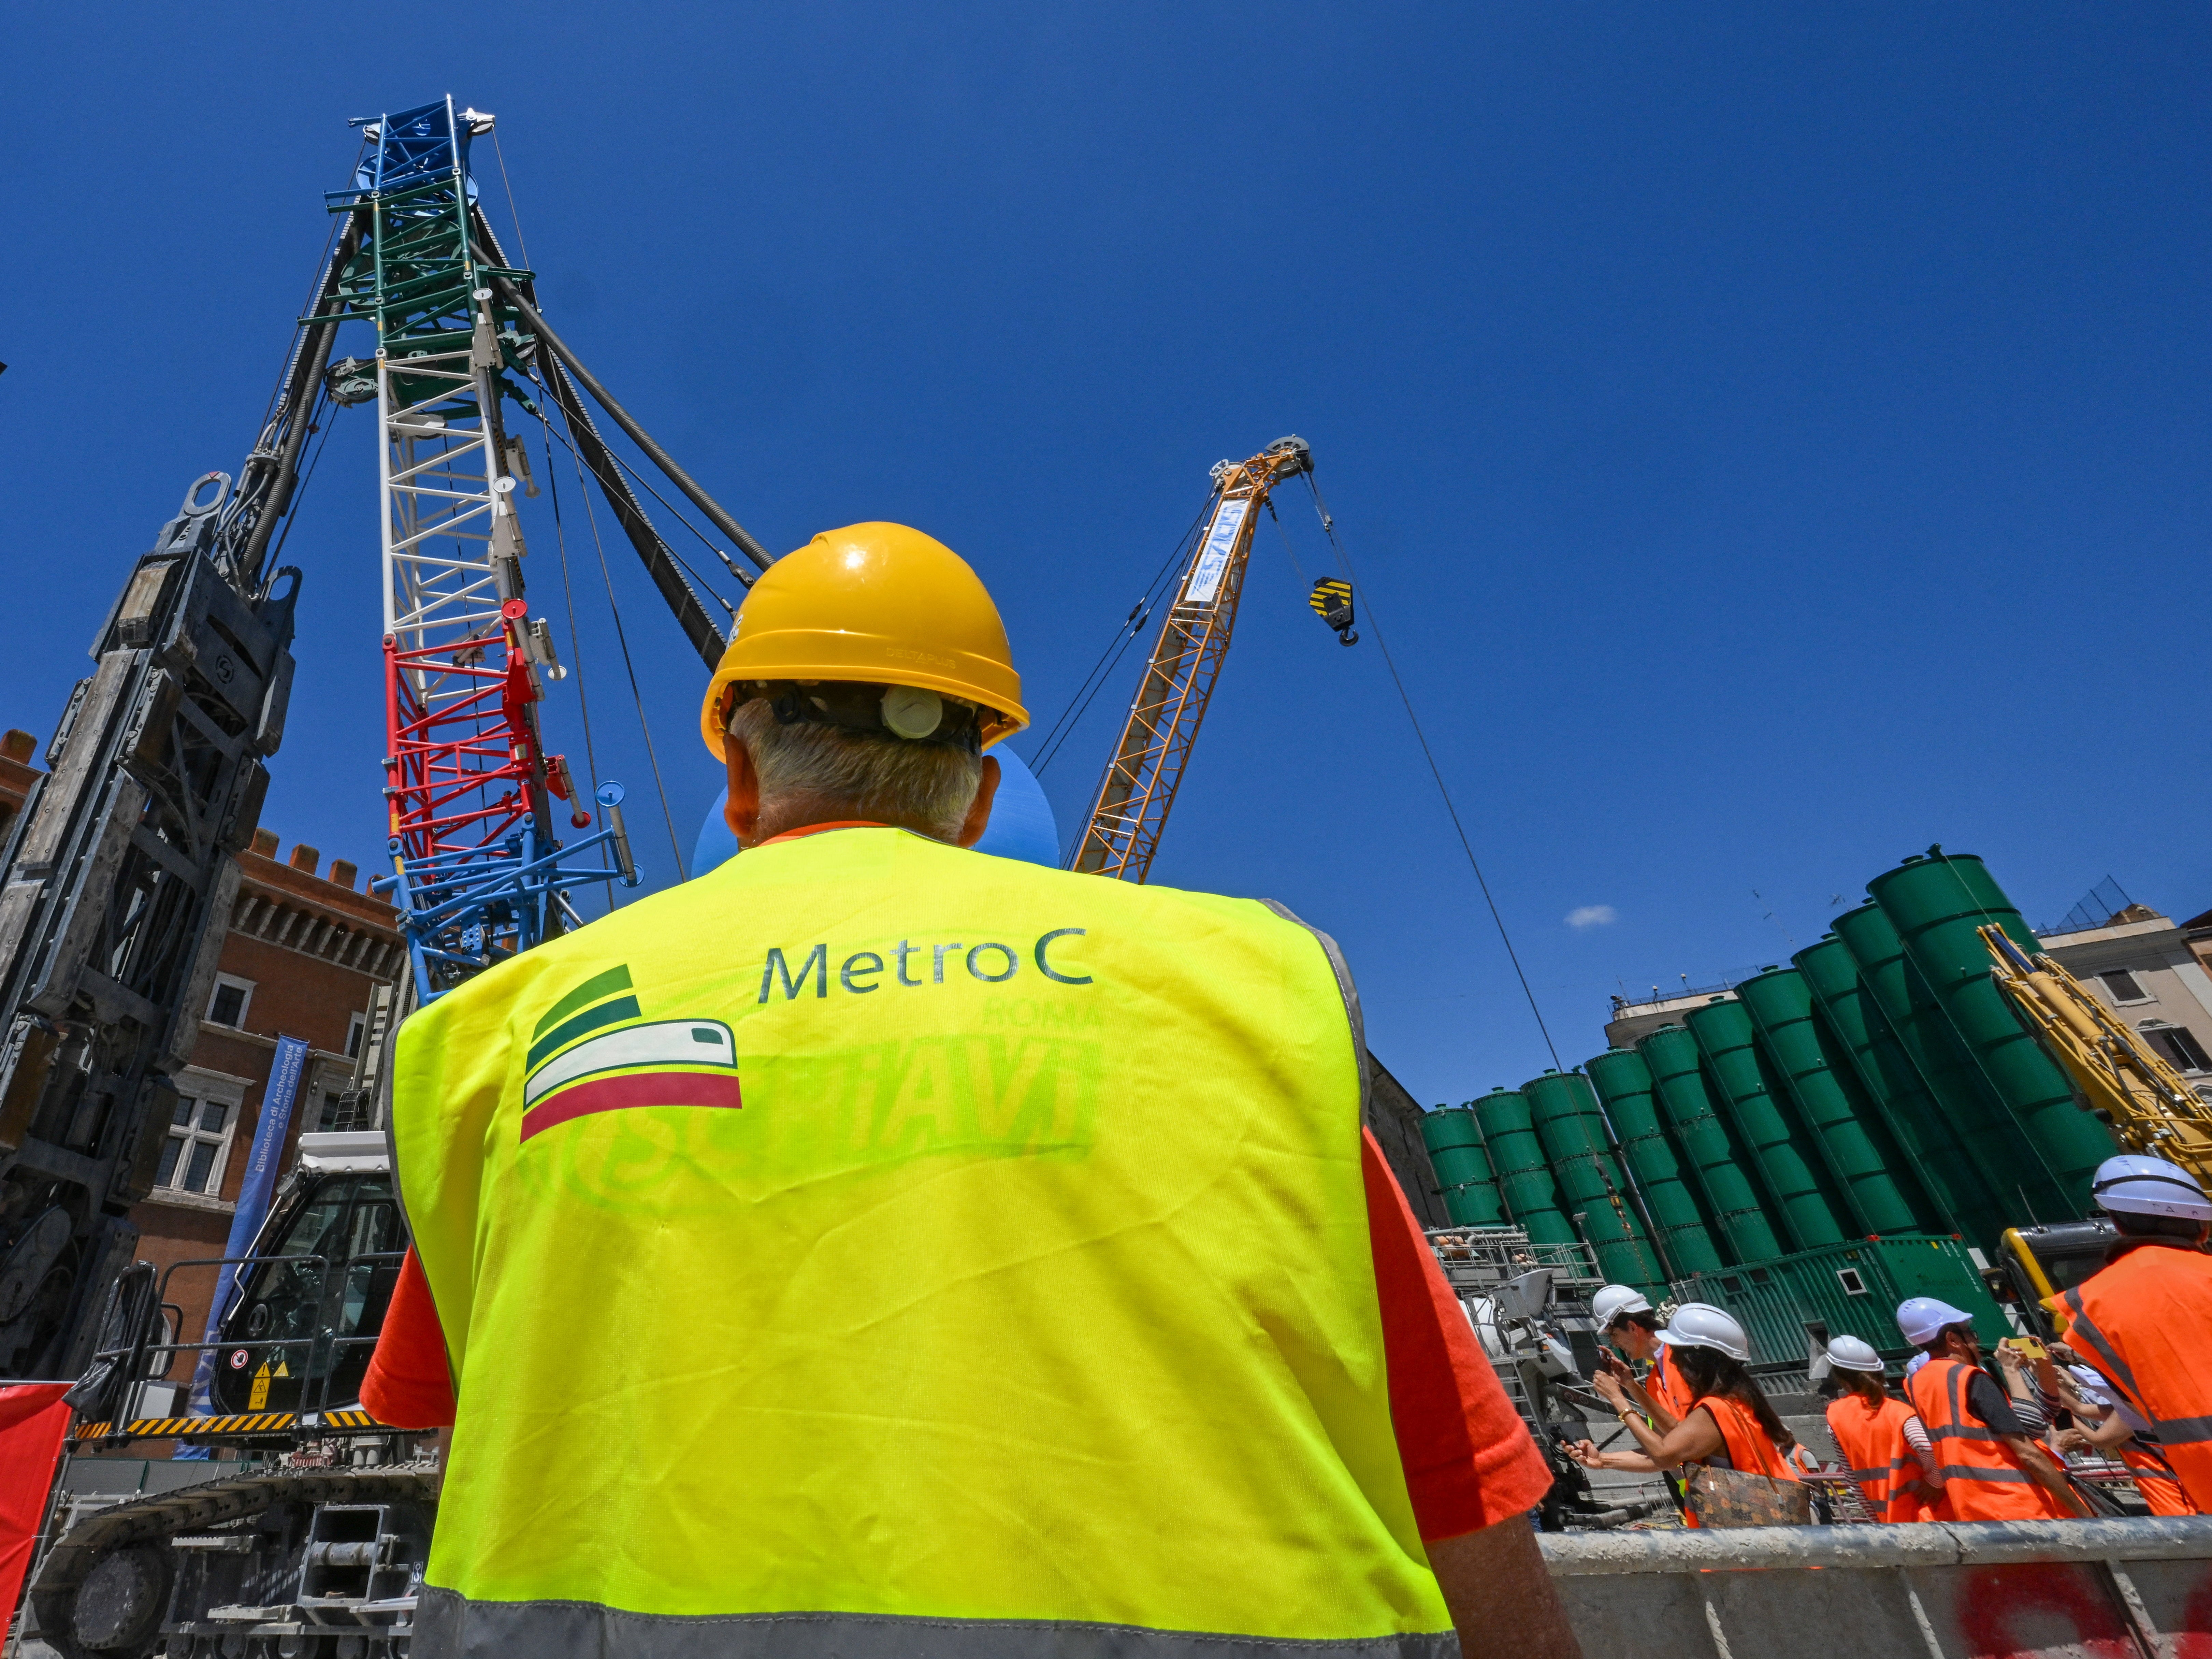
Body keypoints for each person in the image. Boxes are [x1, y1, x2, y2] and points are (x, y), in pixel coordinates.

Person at [365, 524, 1580, 1659]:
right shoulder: (1241, 991)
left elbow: (456, 1415)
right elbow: (1455, 1473)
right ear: (983, 794)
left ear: (738, 767)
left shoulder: (497, 1038)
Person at [2055, 1154, 2212, 1514]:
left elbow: (2131, 1405)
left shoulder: (2087, 1305)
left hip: (2200, 1475)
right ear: (2202, 1227)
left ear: (2117, 1222)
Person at [1569, 1303, 1802, 1525]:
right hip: (1755, 1526)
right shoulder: (1730, 1400)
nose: (1673, 1357)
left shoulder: (1716, 1409)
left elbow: (1664, 1455)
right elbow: (1674, 1440)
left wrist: (1619, 1400)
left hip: (1753, 1532)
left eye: (1678, 1351)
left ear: (1696, 1357)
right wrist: (1603, 1460)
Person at [1899, 1296, 2091, 1520]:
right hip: (2024, 1508)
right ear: (1952, 1339)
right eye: (1971, 1335)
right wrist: (2083, 1513)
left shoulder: (1915, 1383)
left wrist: (2042, 1366)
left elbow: (2034, 1420)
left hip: (1975, 1512)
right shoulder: (1969, 1378)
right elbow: (2029, 1456)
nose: (1977, 1345)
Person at [1822, 1335, 1943, 1522]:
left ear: (1841, 1379)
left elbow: (1853, 1479)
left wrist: (1875, 1520)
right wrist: (1935, 1483)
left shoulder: (1835, 1416)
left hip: (1890, 1521)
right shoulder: (1899, 1412)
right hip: (1930, 1516)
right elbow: (1926, 1446)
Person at [1590, 1284, 1692, 1433]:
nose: (1614, 1344)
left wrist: (1616, 1396)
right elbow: (1666, 1446)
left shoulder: (1687, 1360)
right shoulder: (1654, 1381)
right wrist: (1599, 1457)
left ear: (1632, 1327)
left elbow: (1682, 1437)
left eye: (1614, 1334)